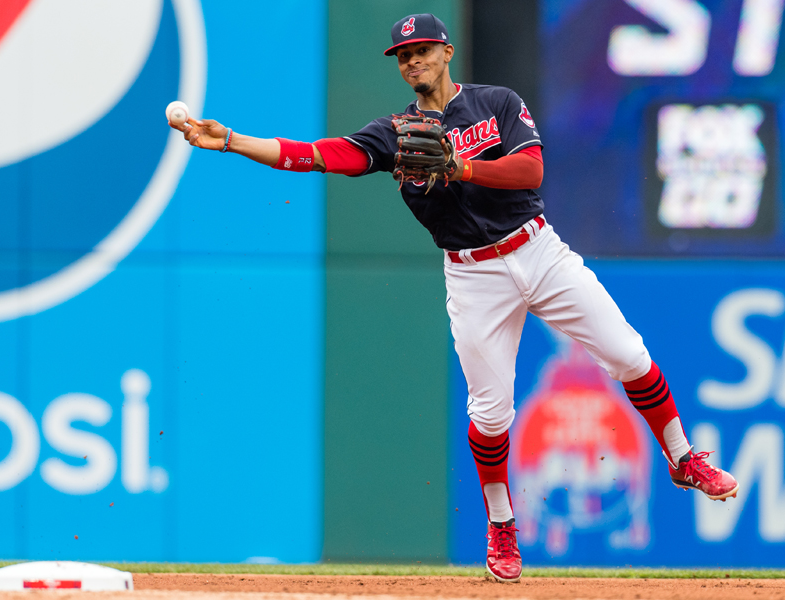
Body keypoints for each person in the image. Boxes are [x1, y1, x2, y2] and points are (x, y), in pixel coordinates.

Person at [169, 13, 739, 583]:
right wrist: (232, 142)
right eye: (402, 55)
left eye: (420, 50)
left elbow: (529, 171)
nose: (411, 60)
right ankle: (502, 524)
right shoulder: (393, 132)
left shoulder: (496, 102)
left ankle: (683, 457)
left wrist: (461, 165)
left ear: (446, 51)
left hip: (537, 249)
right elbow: (320, 154)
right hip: (473, 275)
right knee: (491, 414)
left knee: (628, 355)